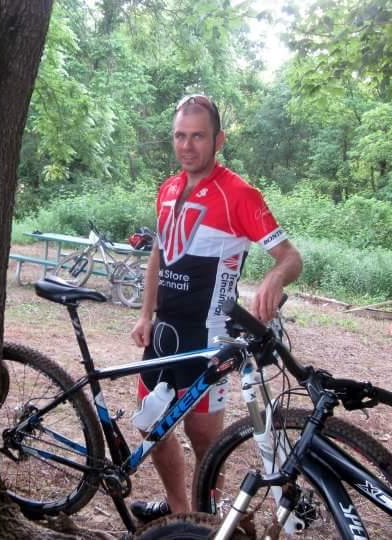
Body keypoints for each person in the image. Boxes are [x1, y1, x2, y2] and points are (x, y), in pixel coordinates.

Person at [129, 93, 303, 522]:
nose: (187, 146)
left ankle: (203, 523)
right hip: (164, 333)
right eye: (179, 136)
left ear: (219, 139)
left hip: (210, 338)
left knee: (206, 440)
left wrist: (274, 277)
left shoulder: (239, 194)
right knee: (153, 427)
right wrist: (146, 313)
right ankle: (177, 511)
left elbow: (290, 256)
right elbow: (158, 254)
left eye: (198, 137)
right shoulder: (167, 189)